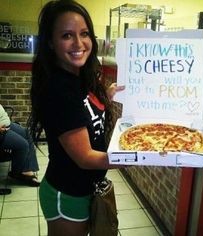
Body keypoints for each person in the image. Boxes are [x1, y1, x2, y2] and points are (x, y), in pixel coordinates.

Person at [28, 1, 125, 235]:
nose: (79, 43)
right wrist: (132, 158)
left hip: (86, 189)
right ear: (50, 42)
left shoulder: (80, 77)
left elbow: (85, 115)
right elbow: (85, 157)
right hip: (68, 193)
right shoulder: (59, 89)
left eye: (84, 34)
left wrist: (106, 97)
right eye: (67, 35)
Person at [0, 104, 40, 187]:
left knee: (26, 133)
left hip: (7, 124)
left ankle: (27, 170)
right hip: (1, 130)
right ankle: (17, 173)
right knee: (23, 145)